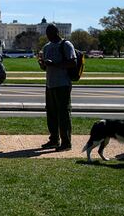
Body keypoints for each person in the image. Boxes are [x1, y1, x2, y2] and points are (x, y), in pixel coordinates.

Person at [38, 24, 76, 152]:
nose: (48, 35)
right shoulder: (47, 47)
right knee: (51, 113)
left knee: (63, 114)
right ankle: (54, 139)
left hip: (63, 84)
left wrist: (55, 64)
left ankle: (66, 142)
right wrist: (42, 64)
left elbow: (72, 62)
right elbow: (45, 68)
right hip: (50, 84)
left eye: (50, 32)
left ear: (56, 32)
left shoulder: (66, 45)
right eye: (47, 33)